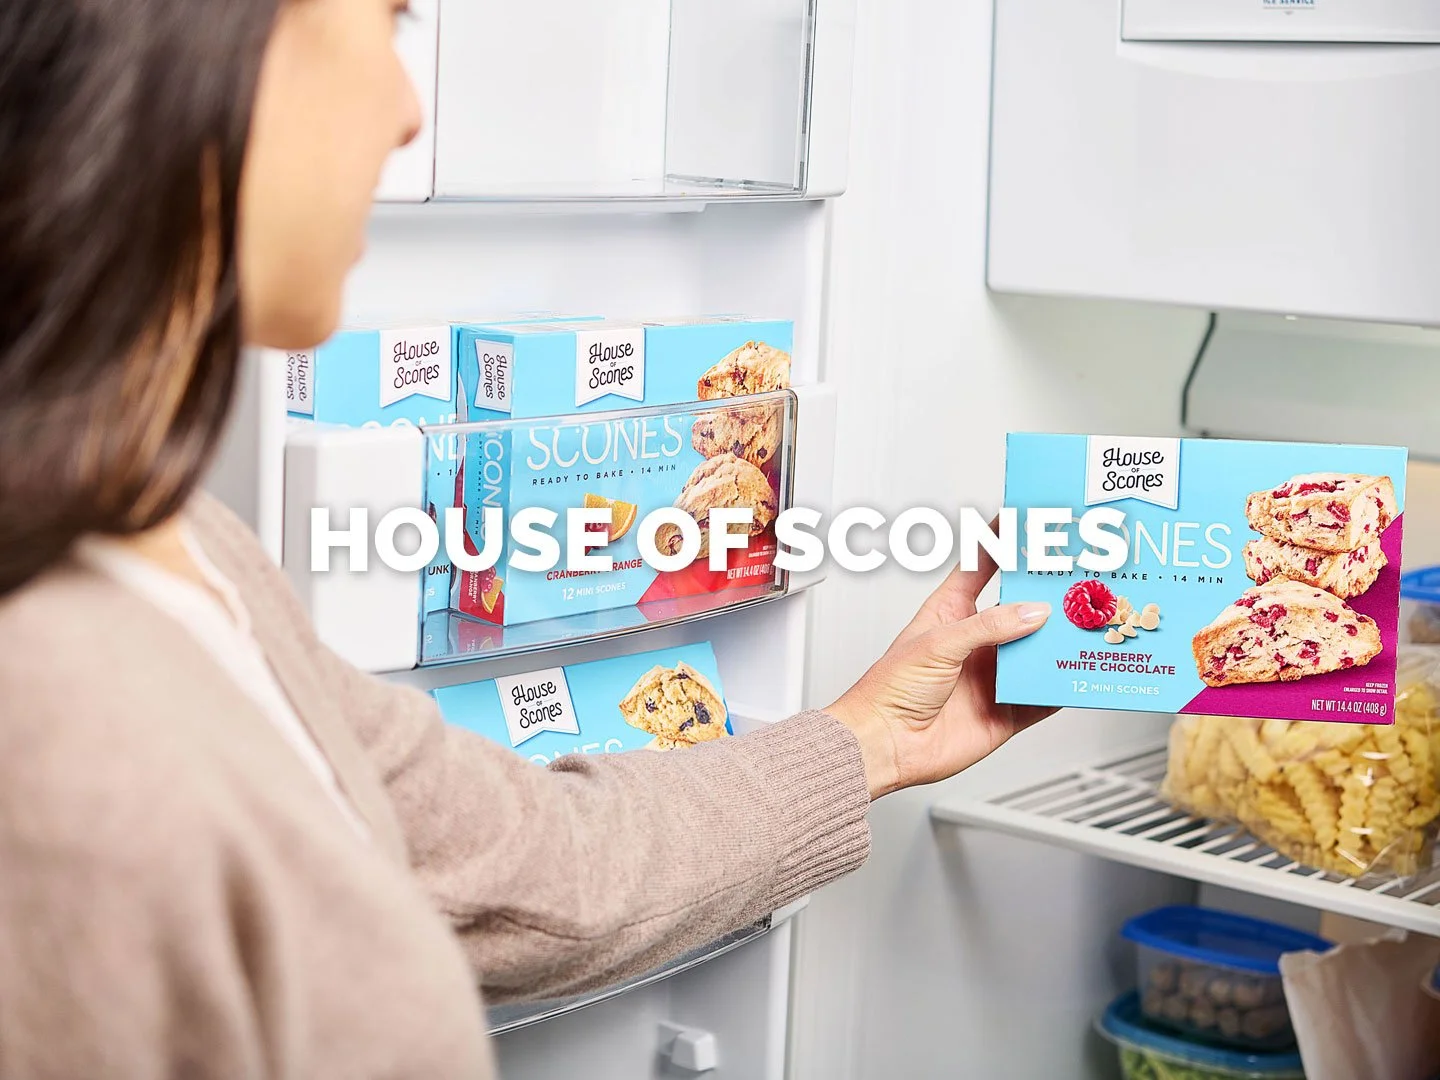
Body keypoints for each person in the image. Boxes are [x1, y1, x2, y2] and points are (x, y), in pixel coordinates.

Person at [0, 1, 1055, 1076]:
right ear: (195, 46)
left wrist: (872, 737)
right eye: (388, 21)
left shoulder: (176, 547)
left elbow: (530, 868)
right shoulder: (59, 717)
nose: (409, 113)